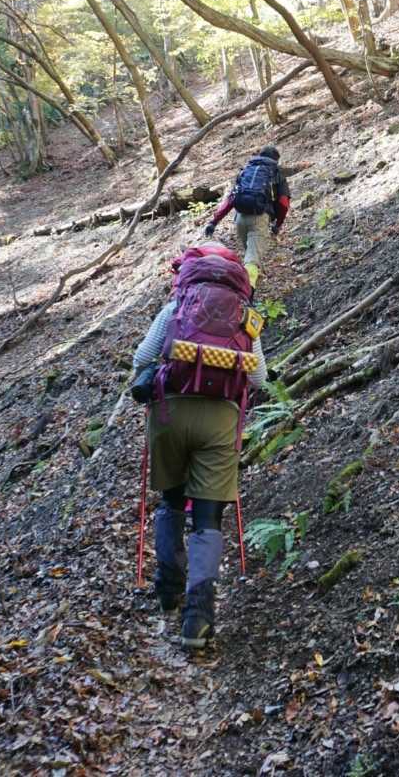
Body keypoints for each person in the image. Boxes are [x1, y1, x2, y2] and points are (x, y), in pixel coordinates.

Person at [130, 243, 266, 650]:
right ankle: (198, 619)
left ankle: (167, 588)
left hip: (170, 413)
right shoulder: (246, 316)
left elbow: (142, 357)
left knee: (171, 501)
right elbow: (258, 378)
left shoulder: (175, 307)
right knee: (208, 518)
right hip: (220, 421)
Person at [203, 146, 290, 286]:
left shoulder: (245, 171)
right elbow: (283, 203)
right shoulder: (276, 172)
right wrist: (278, 224)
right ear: (276, 160)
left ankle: (252, 279)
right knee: (252, 261)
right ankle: (247, 292)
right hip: (259, 218)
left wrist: (214, 221)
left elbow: (231, 199)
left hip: (240, 218)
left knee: (250, 256)